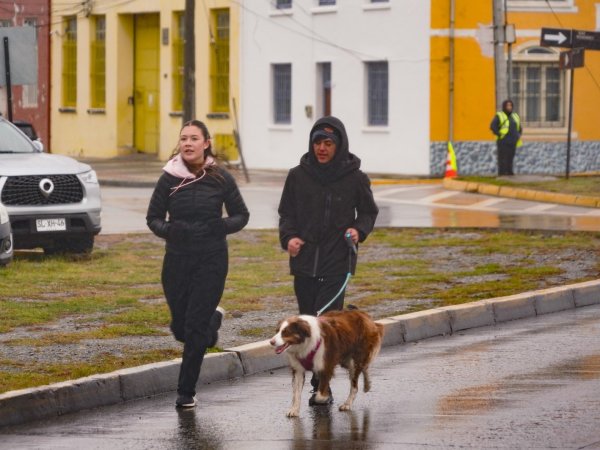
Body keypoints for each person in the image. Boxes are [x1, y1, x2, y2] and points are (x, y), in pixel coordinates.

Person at [146, 120, 249, 408]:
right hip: (177, 260)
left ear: (206, 143)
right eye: (184, 138)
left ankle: (186, 392)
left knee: (193, 328)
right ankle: (211, 323)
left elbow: (241, 215)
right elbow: (153, 218)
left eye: (194, 138)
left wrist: (220, 226)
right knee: (181, 328)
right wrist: (171, 230)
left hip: (211, 259)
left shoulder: (221, 177)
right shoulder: (169, 178)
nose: (188, 143)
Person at [278, 115, 379, 405]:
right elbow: (286, 213)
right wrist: (289, 238)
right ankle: (319, 376)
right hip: (304, 260)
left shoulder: (355, 178)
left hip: (338, 260)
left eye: (328, 143)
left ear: (339, 145)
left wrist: (358, 230)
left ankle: (320, 386)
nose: (321, 148)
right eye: (317, 143)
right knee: (306, 320)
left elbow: (369, 212)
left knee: (323, 322)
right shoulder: (298, 175)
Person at [490, 99, 523, 176]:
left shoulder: (515, 116)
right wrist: (499, 134)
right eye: (508, 105)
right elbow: (493, 126)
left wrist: (518, 135)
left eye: (510, 105)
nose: (509, 107)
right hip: (503, 141)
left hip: (513, 141)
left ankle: (509, 172)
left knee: (510, 157)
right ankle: (502, 173)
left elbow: (519, 127)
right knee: (502, 158)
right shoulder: (499, 115)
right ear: (504, 106)